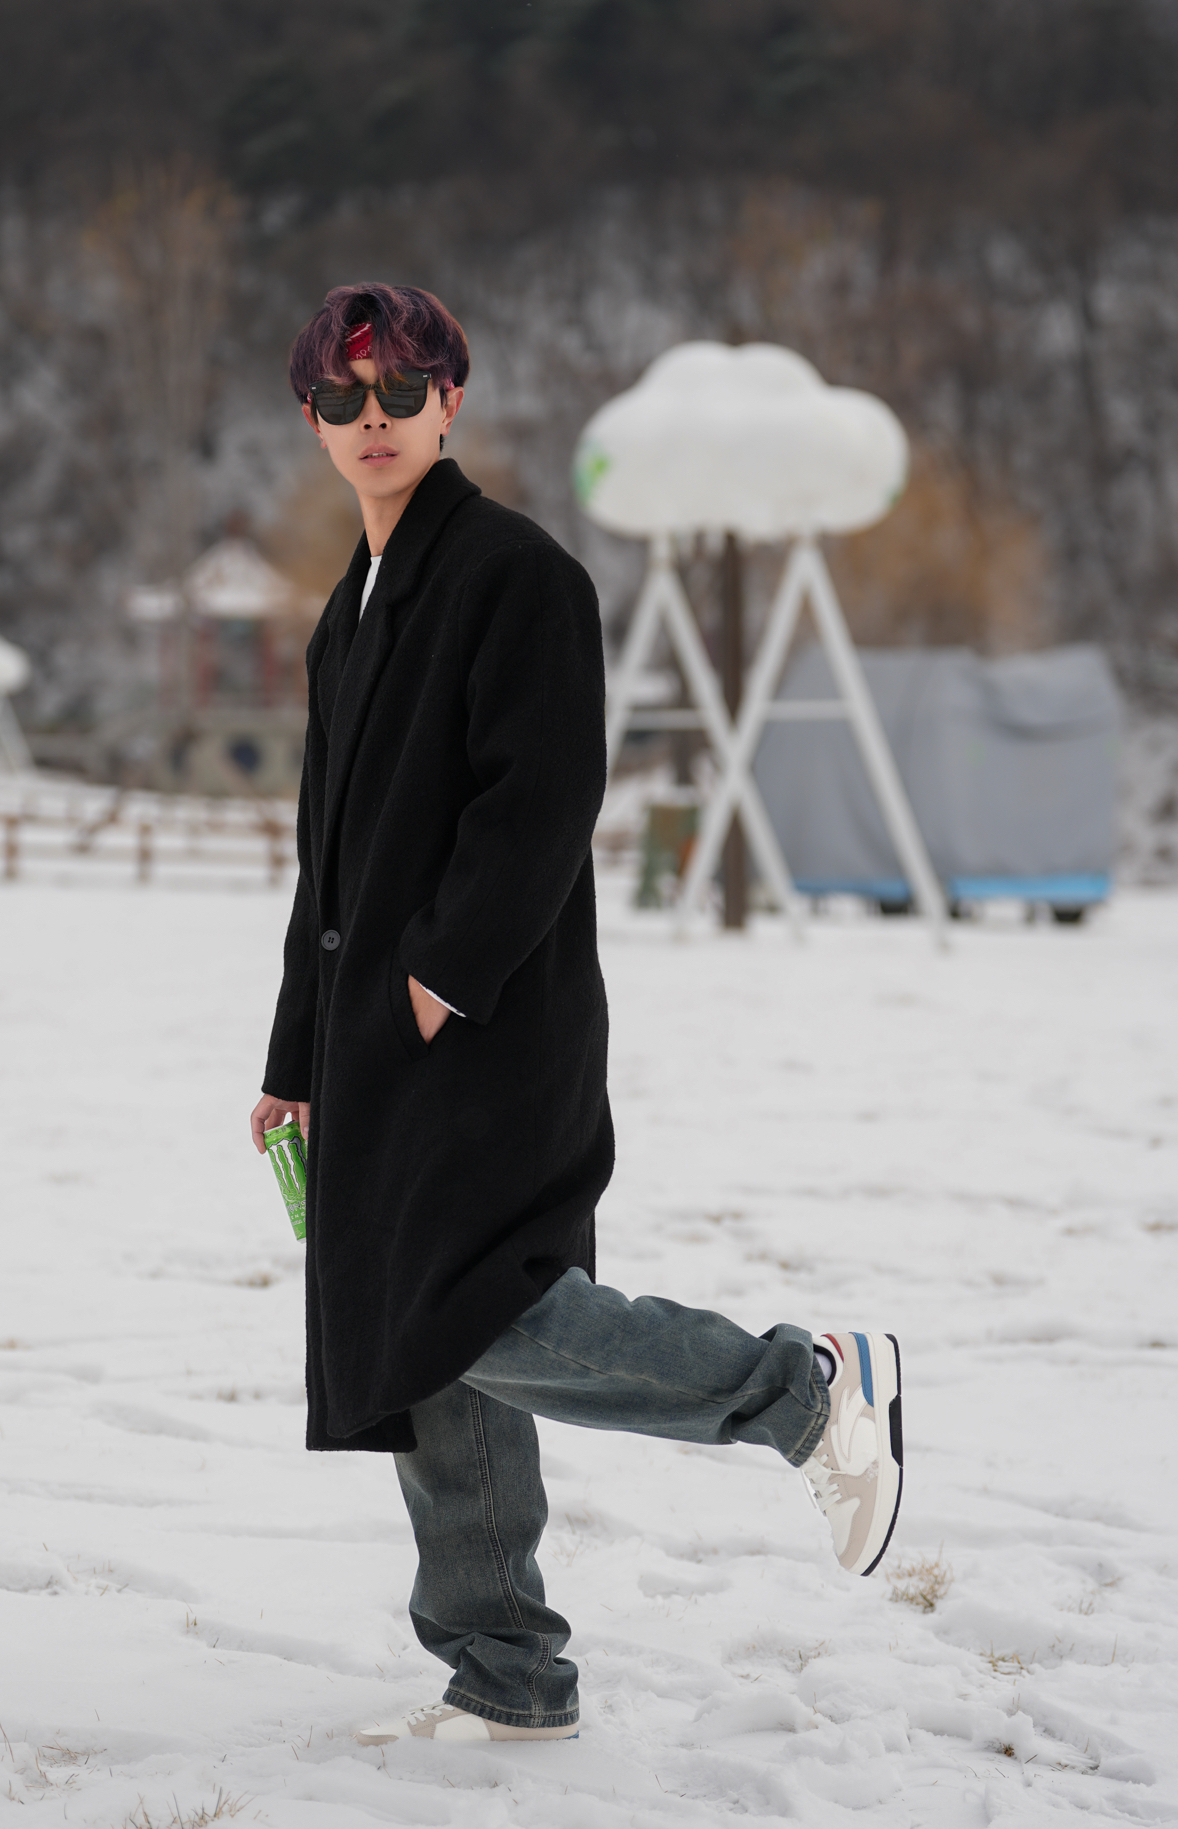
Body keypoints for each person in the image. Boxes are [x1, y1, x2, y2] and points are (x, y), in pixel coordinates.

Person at [249, 283, 903, 1747]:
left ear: (451, 401)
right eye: (343, 399)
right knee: (420, 1338)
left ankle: (802, 1391)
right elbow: (326, 866)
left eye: (400, 392)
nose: (372, 420)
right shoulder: (349, 616)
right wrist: (299, 1056)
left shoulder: (517, 576)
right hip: (377, 1038)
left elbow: (540, 806)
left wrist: (434, 989)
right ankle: (506, 1669)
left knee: (468, 1314)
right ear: (311, 419)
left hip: (486, 1031)